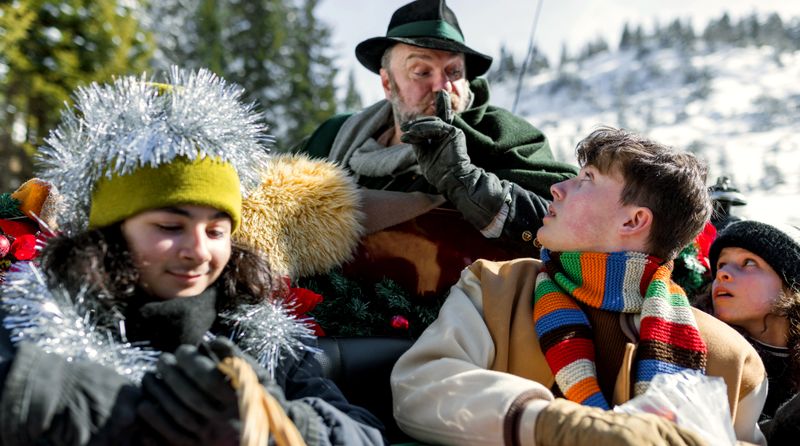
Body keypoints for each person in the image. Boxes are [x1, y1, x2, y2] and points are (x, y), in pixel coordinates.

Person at [0, 68, 386, 445]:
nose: (199, 251)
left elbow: (362, 433)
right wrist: (119, 415)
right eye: (170, 227)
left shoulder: (257, 335)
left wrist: (273, 421)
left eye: (217, 231)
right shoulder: (35, 327)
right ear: (110, 231)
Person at [390, 127, 767, 446]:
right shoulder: (494, 288)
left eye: (586, 179)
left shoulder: (733, 361)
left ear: (634, 220)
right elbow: (420, 387)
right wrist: (555, 426)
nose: (557, 188)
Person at [294, 0, 577, 250]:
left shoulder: (505, 136)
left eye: (454, 72)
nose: (442, 87)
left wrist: (470, 184)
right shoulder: (334, 137)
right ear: (387, 83)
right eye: (421, 71)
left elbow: (574, 226)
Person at [706, 219, 800, 445]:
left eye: (748, 263)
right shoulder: (701, 345)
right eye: (721, 265)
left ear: (791, 284)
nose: (723, 274)